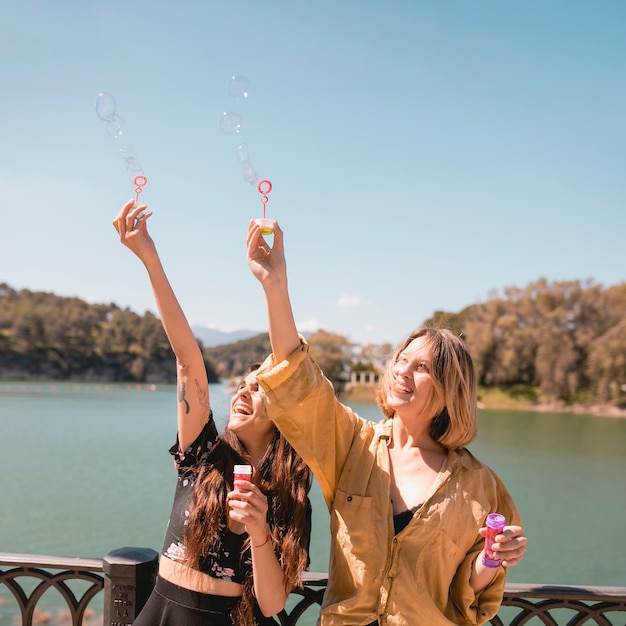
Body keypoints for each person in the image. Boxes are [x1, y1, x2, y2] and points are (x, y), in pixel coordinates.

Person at [246, 219, 528, 626]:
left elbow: (468, 592)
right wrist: (275, 283)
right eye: (401, 359)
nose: (401, 371)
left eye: (422, 367)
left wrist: (492, 557)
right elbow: (299, 381)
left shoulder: (479, 486)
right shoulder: (353, 446)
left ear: (450, 389)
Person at [112, 200, 312, 626]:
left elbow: (273, 605)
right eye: (243, 383)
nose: (244, 391)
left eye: (259, 389)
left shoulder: (289, 495)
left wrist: (260, 531)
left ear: (286, 415)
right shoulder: (205, 455)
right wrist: (150, 258)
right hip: (160, 611)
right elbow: (188, 360)